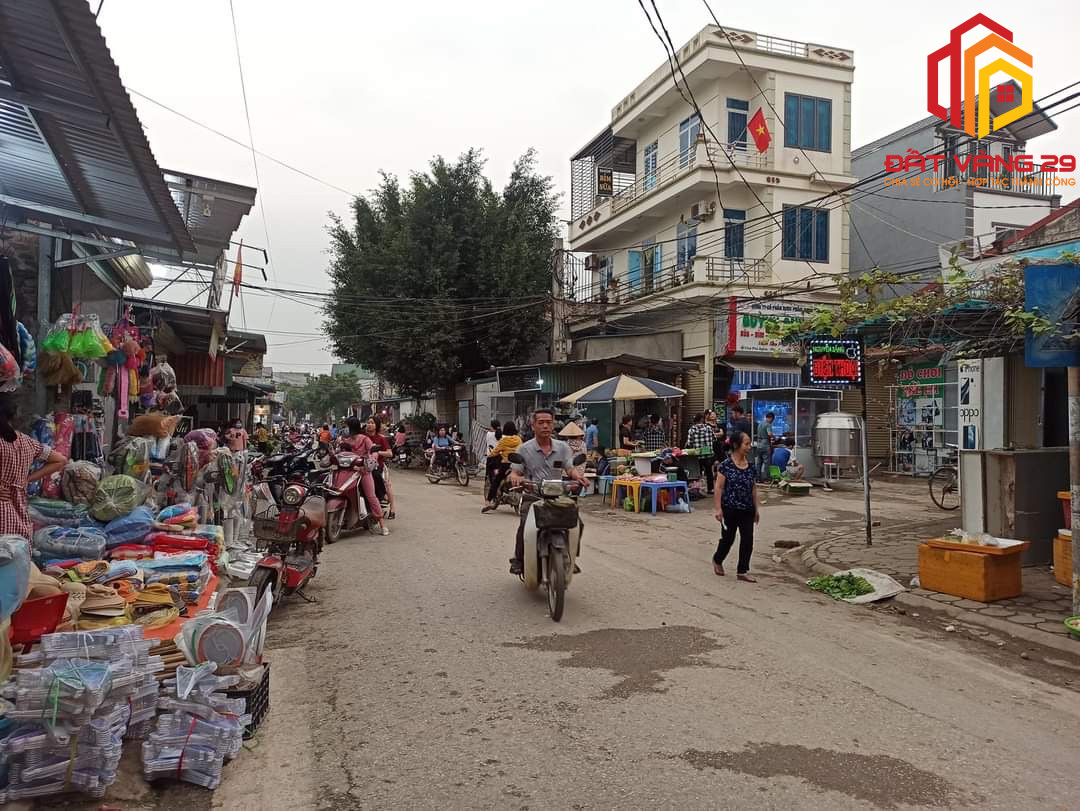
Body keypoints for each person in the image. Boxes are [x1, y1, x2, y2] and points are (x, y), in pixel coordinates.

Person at [507, 408, 588, 575]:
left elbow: (570, 468)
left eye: (549, 422)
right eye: (541, 422)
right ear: (533, 425)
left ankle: (570, 556)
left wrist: (578, 477)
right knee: (525, 525)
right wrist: (516, 478)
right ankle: (518, 559)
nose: (545, 426)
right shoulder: (523, 449)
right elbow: (515, 472)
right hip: (532, 495)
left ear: (553, 425)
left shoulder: (563, 448)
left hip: (557, 495)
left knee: (577, 523)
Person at [0, 398, 67, 540]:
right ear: (13, 416)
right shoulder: (26, 442)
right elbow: (60, 460)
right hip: (19, 517)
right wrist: (28, 479)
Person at [712, 430, 760, 582]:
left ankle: (742, 571)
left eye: (749, 444)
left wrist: (756, 509)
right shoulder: (726, 466)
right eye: (746, 444)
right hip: (730, 508)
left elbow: (753, 488)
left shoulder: (751, 467)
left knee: (748, 539)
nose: (749, 447)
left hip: (747, 508)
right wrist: (718, 509)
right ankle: (717, 559)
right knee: (728, 539)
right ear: (736, 445)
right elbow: (719, 487)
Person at [342, 417, 389, 535]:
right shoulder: (345, 440)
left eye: (347, 426)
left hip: (363, 471)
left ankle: (382, 524)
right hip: (349, 470)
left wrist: (368, 463)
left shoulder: (365, 439)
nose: (345, 429)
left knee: (371, 496)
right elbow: (339, 452)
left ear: (352, 427)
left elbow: (374, 452)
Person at [482, 422, 522, 512]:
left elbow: (495, 451)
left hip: (506, 464)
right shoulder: (518, 439)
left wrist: (489, 455)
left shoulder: (504, 441)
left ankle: (488, 500)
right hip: (518, 464)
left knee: (496, 481)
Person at [364, 416, 396, 519]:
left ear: (376, 425)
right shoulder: (363, 437)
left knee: (386, 483)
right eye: (368, 422)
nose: (369, 425)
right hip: (364, 465)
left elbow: (390, 453)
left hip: (378, 465)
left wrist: (378, 452)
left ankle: (392, 507)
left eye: (372, 423)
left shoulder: (381, 438)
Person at [686, 412, 716, 494]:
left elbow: (689, 443)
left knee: (698, 472)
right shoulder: (709, 428)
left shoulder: (692, 430)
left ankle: (698, 489)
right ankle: (710, 489)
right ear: (702, 419)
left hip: (697, 455)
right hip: (708, 454)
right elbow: (714, 438)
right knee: (709, 472)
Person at [754, 412, 775, 482]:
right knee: (767, 463)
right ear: (771, 418)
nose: (772, 421)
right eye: (772, 420)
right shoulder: (768, 424)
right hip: (765, 444)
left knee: (759, 462)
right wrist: (774, 437)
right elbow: (769, 434)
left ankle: (758, 478)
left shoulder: (760, 424)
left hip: (758, 444)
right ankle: (766, 479)